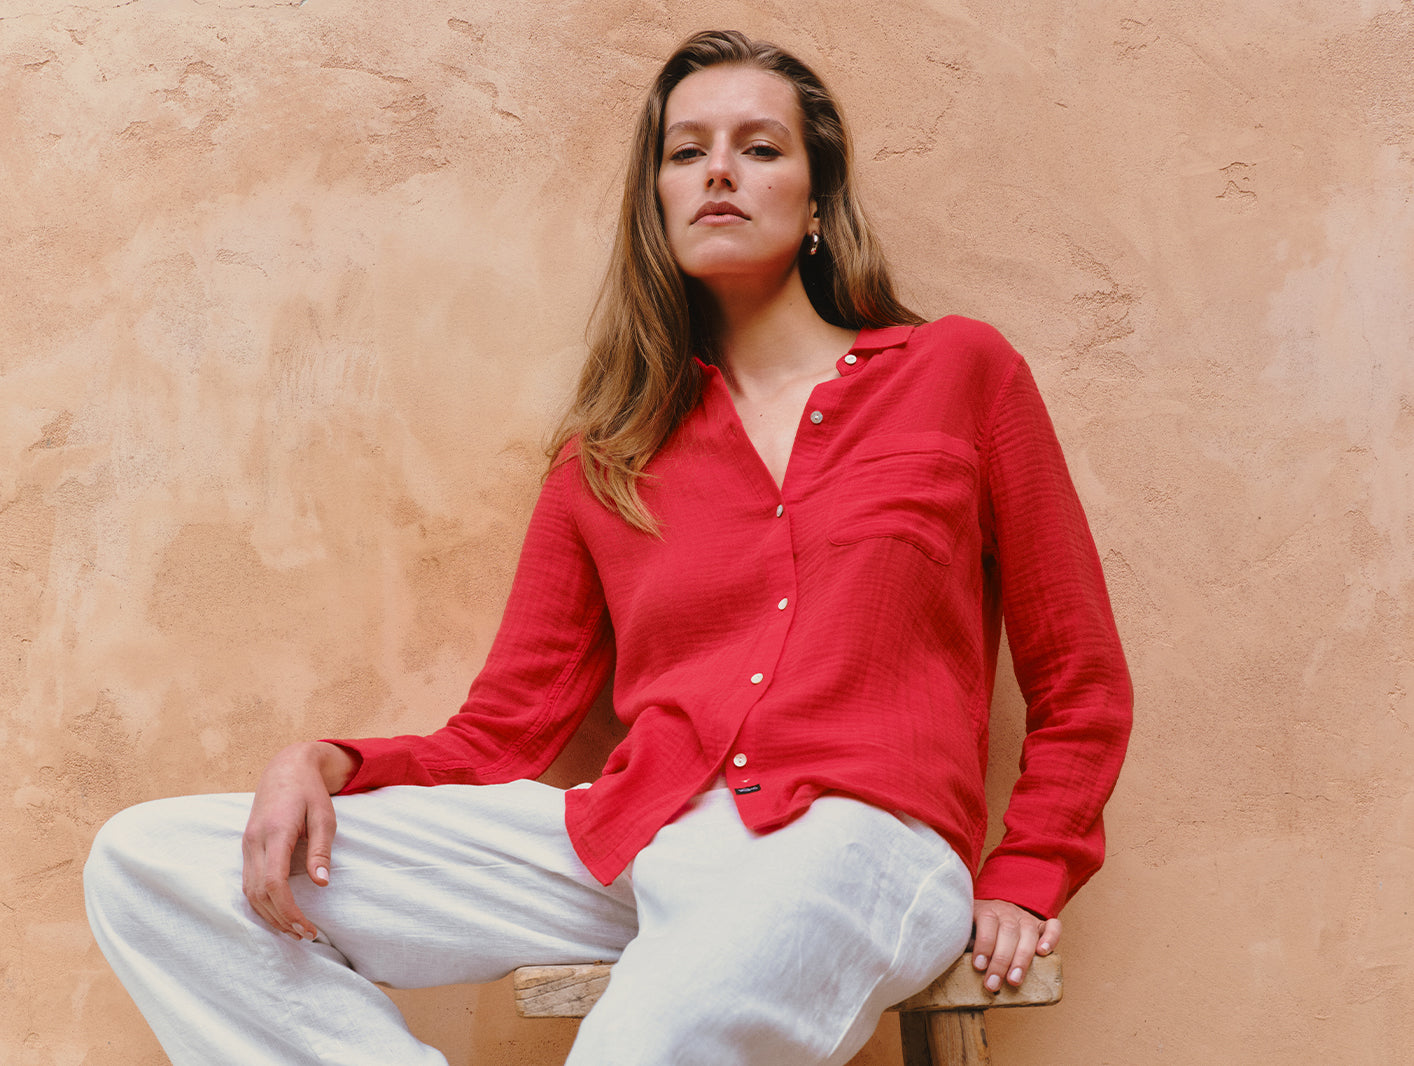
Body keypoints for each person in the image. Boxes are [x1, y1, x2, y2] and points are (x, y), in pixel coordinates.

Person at [85, 29, 1131, 1066]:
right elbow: (499, 732)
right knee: (155, 863)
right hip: (639, 836)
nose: (718, 169)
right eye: (686, 151)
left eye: (759, 148)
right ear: (657, 200)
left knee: (642, 1044)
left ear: (819, 202)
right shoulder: (609, 454)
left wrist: (1028, 867)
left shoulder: (956, 371)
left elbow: (1077, 676)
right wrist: (327, 759)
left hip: (857, 844)